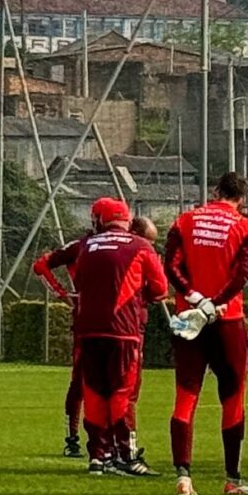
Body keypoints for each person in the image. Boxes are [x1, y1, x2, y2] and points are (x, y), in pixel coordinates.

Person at [165, 172, 248, 495]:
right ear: (241, 199)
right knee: (233, 397)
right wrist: (215, 304)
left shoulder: (185, 220)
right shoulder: (246, 228)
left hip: (187, 317)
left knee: (186, 395)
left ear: (215, 191)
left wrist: (195, 299)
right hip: (227, 319)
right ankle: (232, 479)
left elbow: (171, 266)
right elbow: (242, 275)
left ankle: (183, 476)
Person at [70, 199, 168, 475]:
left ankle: (98, 456)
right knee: (122, 392)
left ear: (101, 220)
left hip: (88, 330)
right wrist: (138, 297)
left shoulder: (87, 246)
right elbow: (160, 289)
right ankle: (125, 455)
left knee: (95, 393)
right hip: (123, 331)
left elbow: (79, 282)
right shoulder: (140, 246)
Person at [36, 227, 93, 460]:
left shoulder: (128, 244)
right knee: (81, 381)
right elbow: (41, 265)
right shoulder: (80, 246)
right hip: (87, 323)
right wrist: (63, 293)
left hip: (118, 323)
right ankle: (73, 438)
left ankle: (113, 442)